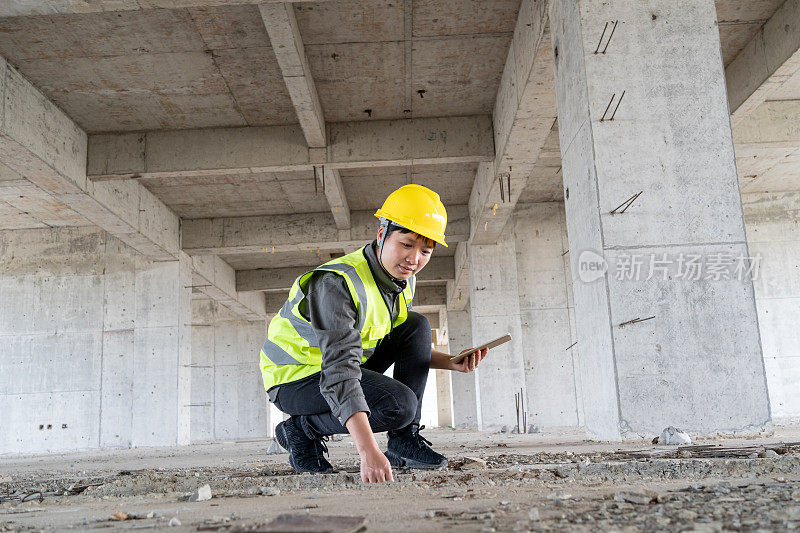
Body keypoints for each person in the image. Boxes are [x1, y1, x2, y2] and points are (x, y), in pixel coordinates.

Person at [259, 184, 487, 483]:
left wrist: (449, 361)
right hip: (295, 379)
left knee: (415, 325)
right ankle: (301, 430)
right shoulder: (336, 284)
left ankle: (404, 441)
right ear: (382, 235)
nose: (414, 259)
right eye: (406, 244)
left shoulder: (400, 280)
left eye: (425, 251)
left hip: (335, 367)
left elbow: (382, 344)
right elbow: (340, 371)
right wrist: (368, 452)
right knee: (398, 405)